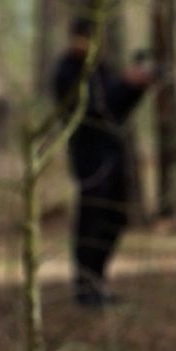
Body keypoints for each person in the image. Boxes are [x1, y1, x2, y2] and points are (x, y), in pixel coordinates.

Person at [50, 18, 153, 307]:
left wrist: (136, 87)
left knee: (116, 218)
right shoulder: (67, 72)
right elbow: (95, 109)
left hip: (114, 154)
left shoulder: (101, 68)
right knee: (91, 220)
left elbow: (117, 110)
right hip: (89, 156)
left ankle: (98, 279)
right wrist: (124, 84)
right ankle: (85, 286)